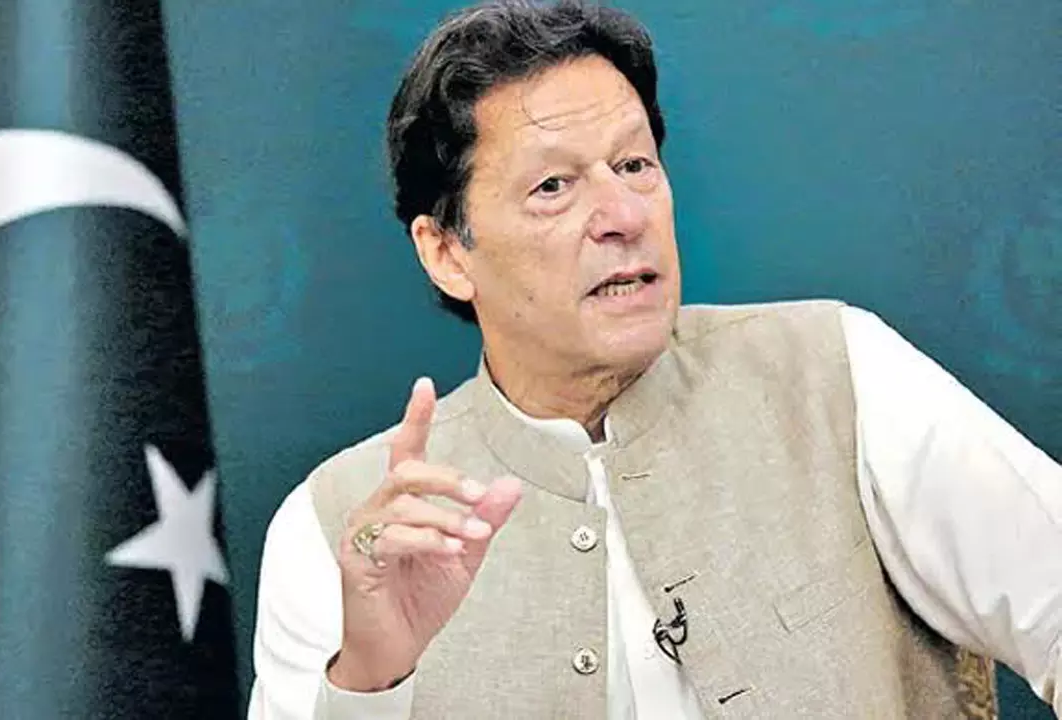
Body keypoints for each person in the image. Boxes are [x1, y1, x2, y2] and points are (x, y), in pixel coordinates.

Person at [246, 1, 1062, 717]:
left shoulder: (838, 375)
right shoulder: (338, 530)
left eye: (634, 165)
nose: (622, 214)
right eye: (553, 187)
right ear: (447, 251)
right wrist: (371, 683)